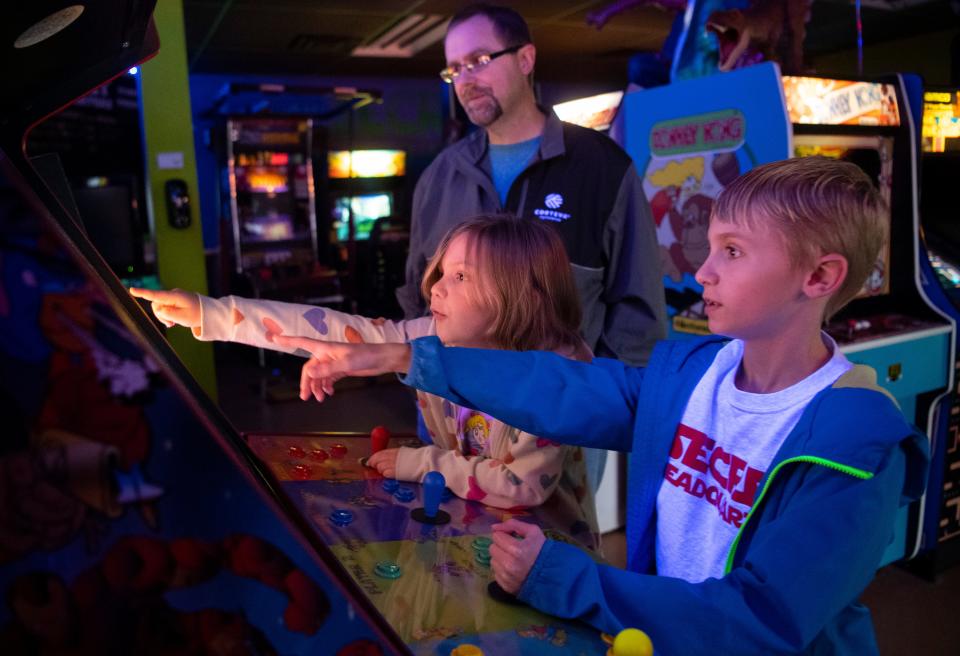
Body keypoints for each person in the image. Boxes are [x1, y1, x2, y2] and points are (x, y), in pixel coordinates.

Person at [279, 158, 929, 654]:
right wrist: (403, 358)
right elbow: (562, 388)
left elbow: (764, 619)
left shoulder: (857, 447)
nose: (703, 272)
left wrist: (569, 579)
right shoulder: (691, 372)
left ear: (818, 278)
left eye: (732, 252)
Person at [130, 215, 600, 551]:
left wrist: (423, 464)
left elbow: (519, 488)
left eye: (461, 277)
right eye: (442, 272)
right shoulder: (435, 337)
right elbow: (338, 332)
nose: (435, 287)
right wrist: (212, 313)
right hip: (470, 531)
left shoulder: (559, 373)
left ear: (523, 294)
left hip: (548, 556)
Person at [400, 3, 667, 487]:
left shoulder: (602, 168)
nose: (465, 80)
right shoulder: (439, 177)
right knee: (449, 552)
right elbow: (415, 297)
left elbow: (638, 309)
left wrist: (593, 403)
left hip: (561, 422)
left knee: (554, 553)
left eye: (479, 60)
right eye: (455, 69)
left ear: (526, 58)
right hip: (455, 411)